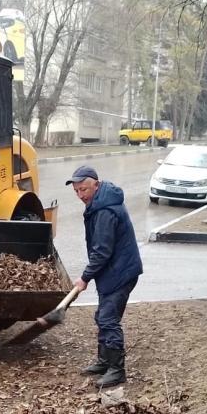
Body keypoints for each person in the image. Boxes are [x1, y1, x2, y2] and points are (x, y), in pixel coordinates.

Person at [66, 166, 143, 388]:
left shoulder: (104, 211)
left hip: (120, 272)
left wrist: (84, 278)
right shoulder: (100, 203)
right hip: (113, 270)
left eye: (84, 190)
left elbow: (102, 251)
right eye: (77, 191)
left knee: (108, 320)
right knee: (103, 316)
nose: (81, 196)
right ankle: (104, 361)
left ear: (96, 185)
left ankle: (117, 370)